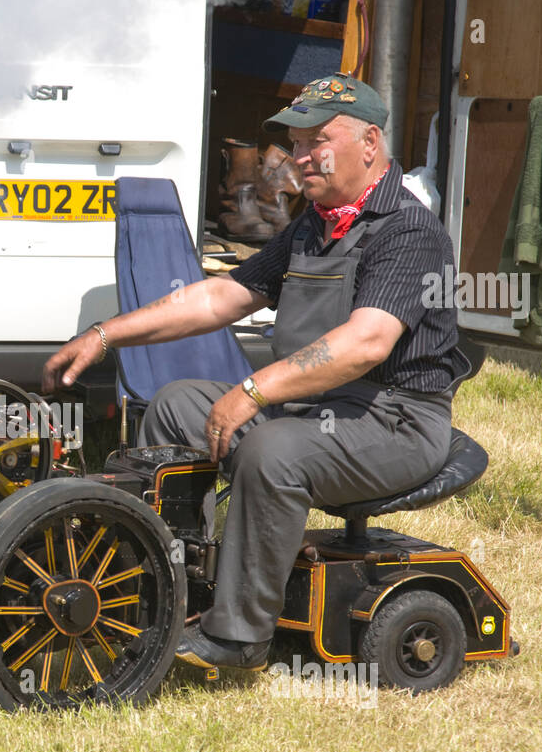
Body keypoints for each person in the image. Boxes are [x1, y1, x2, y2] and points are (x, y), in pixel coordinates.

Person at [41, 73, 471, 670]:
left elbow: (365, 344)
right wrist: (105, 334)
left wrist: (252, 390)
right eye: (295, 145)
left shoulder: (408, 229)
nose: (299, 158)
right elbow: (221, 298)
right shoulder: (314, 224)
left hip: (395, 419)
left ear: (369, 144)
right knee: (174, 405)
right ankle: (158, 591)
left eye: (316, 140)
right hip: (316, 407)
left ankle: (238, 637)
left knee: (274, 451)